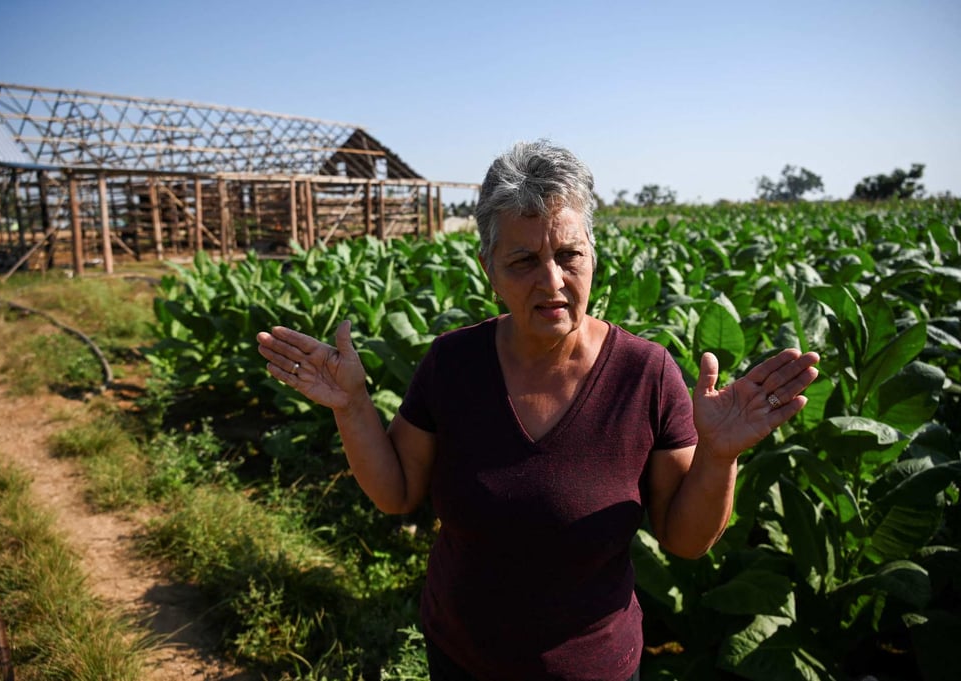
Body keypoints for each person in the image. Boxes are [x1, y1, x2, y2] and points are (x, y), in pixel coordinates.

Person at [256, 140, 820, 681]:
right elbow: (396, 492)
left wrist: (719, 456)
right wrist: (353, 405)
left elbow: (686, 539)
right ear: (488, 269)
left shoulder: (645, 375)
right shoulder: (453, 364)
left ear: (593, 255)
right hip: (460, 657)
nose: (552, 281)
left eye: (569, 255)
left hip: (593, 670)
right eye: (523, 260)